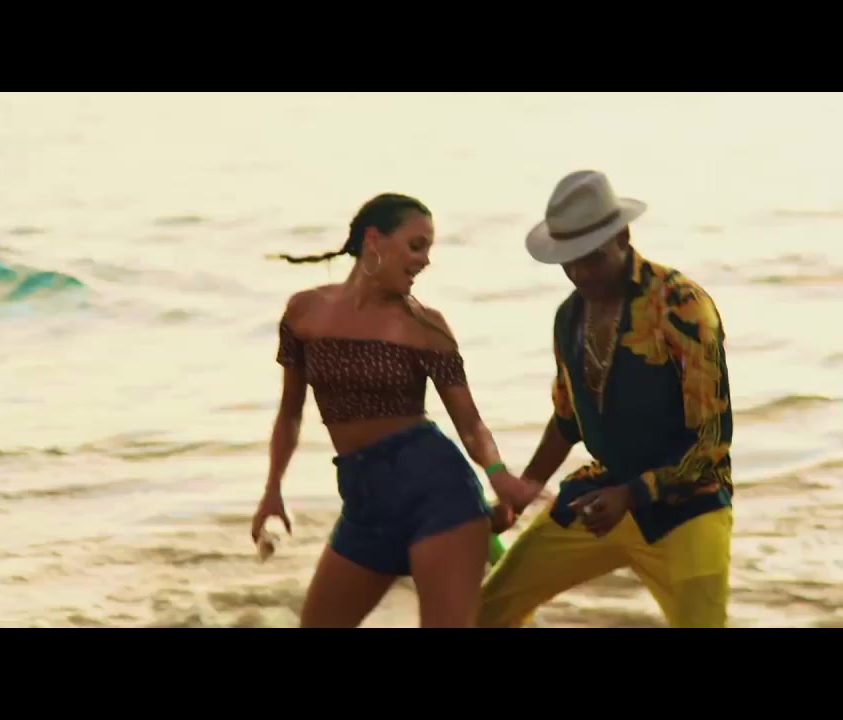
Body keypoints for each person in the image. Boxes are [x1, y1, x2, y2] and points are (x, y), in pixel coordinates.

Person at [252, 192, 526, 628]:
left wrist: (498, 474)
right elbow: (290, 413)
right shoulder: (304, 313)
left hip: (439, 496)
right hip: (364, 501)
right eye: (416, 246)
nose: (425, 261)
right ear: (373, 240)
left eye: (428, 250)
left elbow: (471, 424)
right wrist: (272, 489)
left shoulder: (426, 328)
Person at [481, 170, 735, 628]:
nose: (580, 274)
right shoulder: (570, 317)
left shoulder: (681, 306)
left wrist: (632, 494)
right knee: (484, 613)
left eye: (592, 259)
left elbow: (711, 443)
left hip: (688, 507)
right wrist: (524, 490)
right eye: (568, 262)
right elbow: (567, 419)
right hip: (601, 496)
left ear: (623, 237)